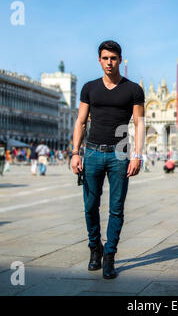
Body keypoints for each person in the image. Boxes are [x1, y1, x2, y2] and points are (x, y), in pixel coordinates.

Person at [71, 40, 144, 279]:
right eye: (105, 58)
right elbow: (81, 121)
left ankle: (110, 255)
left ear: (120, 60)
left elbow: (139, 123)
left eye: (113, 58)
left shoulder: (133, 89)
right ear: (99, 60)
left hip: (120, 153)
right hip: (91, 152)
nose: (109, 62)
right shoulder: (89, 88)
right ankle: (95, 249)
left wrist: (137, 155)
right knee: (90, 206)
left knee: (116, 208)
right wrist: (75, 152)